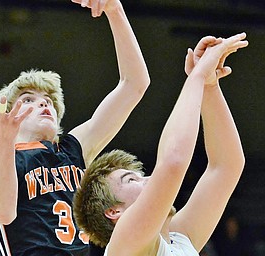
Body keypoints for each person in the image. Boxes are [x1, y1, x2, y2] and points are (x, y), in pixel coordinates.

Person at [0, 0, 150, 255]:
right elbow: (4, 213)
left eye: (48, 101)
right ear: (7, 114)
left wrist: (115, 9)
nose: (43, 103)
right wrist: (4, 141)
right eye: (28, 99)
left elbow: (135, 84)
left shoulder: (72, 148)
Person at [73, 32, 248, 255]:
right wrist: (196, 76)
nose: (150, 180)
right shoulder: (125, 244)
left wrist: (209, 86)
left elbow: (227, 166)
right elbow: (173, 161)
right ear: (114, 212)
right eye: (131, 180)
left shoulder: (179, 239)